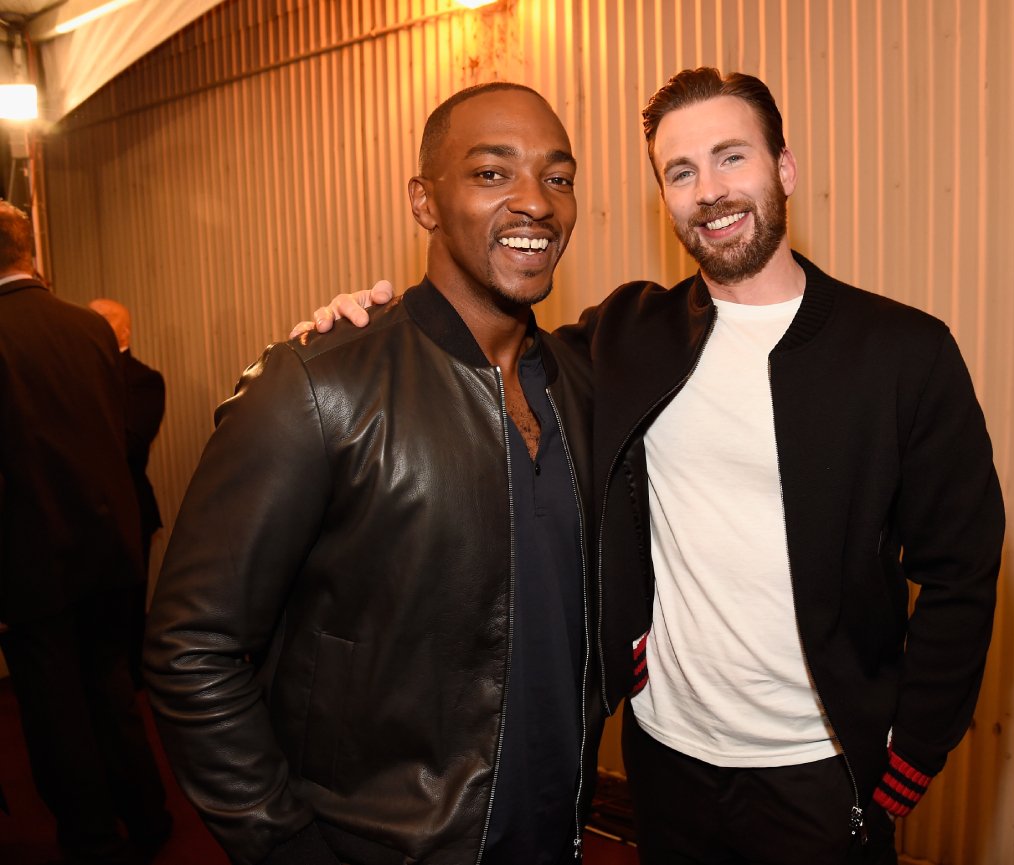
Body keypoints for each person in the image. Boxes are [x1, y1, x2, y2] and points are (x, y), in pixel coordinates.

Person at [308, 67, 1004, 864]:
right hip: (666, 758)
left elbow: (962, 572)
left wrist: (912, 750)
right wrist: (359, 329)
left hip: (819, 771)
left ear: (785, 169)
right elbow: (479, 354)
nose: (709, 190)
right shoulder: (630, 333)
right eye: (681, 171)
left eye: (731, 157)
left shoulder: (903, 353)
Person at [143, 83, 601, 865]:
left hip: (554, 831)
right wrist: (285, 844)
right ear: (425, 201)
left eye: (557, 177)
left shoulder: (580, 384)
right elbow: (191, 645)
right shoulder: (321, 385)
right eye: (493, 173)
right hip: (387, 845)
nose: (536, 203)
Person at [0, 201, 172, 865]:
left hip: (30, 560)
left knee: (54, 710)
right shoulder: (89, 329)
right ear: (29, 252)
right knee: (112, 691)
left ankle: (92, 838)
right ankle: (151, 816)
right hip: (107, 551)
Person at [89, 298, 166, 688]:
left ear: (125, 331)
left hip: (129, 510)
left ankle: (134, 691)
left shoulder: (142, 379)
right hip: (78, 514)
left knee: (127, 612)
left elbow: (130, 444)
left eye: (103, 319)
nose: (92, 325)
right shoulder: (74, 374)